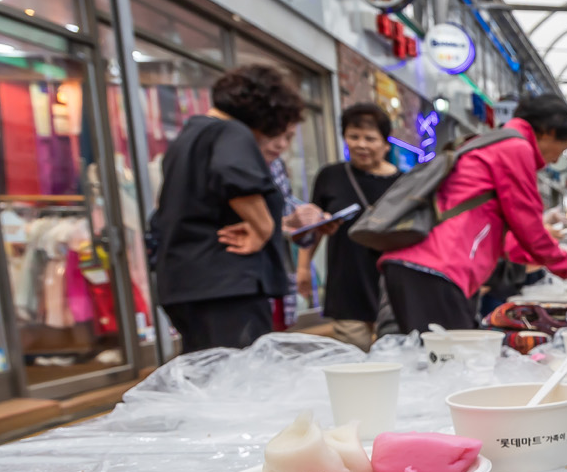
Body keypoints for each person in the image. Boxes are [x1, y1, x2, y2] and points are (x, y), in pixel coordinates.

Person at [379, 95, 567, 334]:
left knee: (435, 351)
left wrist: (556, 258)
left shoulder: (491, 143)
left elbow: (510, 241)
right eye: (562, 149)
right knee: (453, 353)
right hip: (437, 268)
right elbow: (528, 226)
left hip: (419, 265)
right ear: (549, 132)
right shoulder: (515, 147)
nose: (556, 159)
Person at [149, 63, 311, 353]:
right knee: (240, 373)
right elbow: (233, 173)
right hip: (227, 283)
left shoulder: (189, 136)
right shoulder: (230, 132)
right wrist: (263, 227)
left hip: (185, 282)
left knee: (206, 371)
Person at [296, 103, 400, 350]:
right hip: (347, 283)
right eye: (353, 137)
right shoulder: (330, 176)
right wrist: (303, 267)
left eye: (370, 138)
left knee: (394, 354)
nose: (361, 144)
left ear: (386, 144)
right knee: (354, 356)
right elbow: (314, 227)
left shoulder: (403, 183)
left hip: (392, 283)